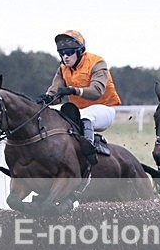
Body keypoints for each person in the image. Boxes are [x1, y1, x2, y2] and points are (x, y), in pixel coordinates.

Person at [37, 30, 121, 164]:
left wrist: (73, 90)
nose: (65, 57)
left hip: (104, 109)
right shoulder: (63, 68)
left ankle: (89, 152)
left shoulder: (97, 63)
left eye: (69, 52)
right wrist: (47, 98)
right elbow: (55, 92)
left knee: (84, 116)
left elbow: (97, 91)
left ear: (80, 51)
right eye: (62, 53)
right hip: (78, 111)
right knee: (49, 114)